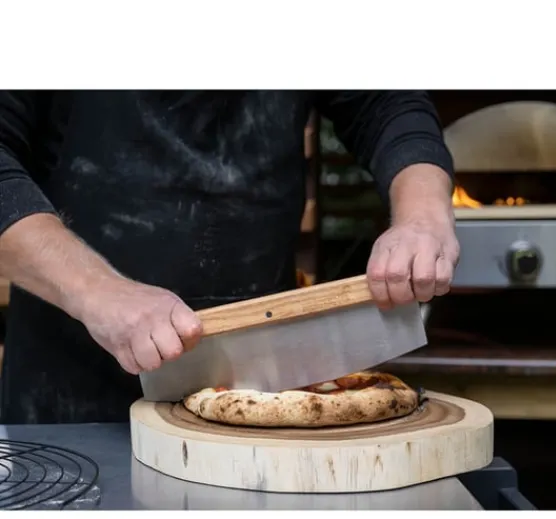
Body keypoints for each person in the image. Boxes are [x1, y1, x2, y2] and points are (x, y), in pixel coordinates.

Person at [0, 91, 459, 424]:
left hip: (265, 381)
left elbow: (386, 103)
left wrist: (423, 217)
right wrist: (97, 292)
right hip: (70, 400)